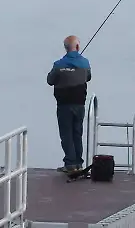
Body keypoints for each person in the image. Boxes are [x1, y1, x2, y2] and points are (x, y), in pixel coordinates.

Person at [46, 34, 92, 172]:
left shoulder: (58, 65)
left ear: (66, 48)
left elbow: (50, 80)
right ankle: (78, 162)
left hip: (64, 105)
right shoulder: (85, 63)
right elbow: (88, 77)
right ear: (77, 47)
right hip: (79, 105)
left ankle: (70, 163)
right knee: (77, 133)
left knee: (66, 135)